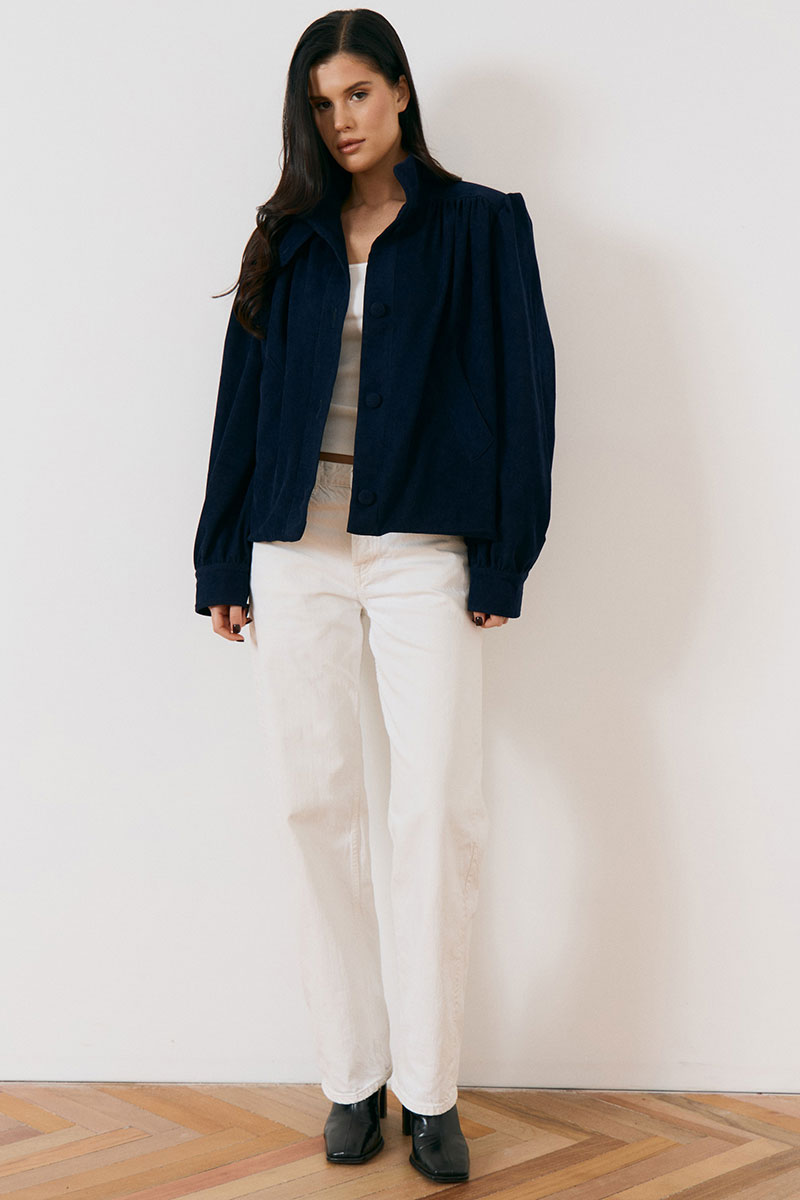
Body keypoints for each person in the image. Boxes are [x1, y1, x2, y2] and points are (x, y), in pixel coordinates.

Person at [193, 8, 556, 1185]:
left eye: (355, 92)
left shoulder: (479, 225)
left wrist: (502, 558)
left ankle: (431, 1091)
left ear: (399, 90)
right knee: (316, 806)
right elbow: (241, 403)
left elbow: (523, 394)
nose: (340, 119)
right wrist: (221, 559)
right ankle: (351, 1077)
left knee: (436, 813)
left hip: (422, 549)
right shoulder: (287, 235)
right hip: (293, 550)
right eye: (319, 103)